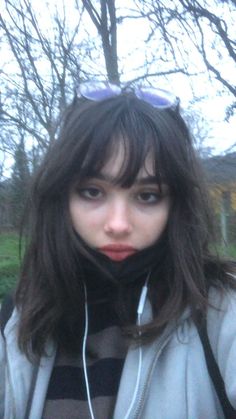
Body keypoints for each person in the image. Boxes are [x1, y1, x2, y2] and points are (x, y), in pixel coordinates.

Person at [0, 82, 236, 419]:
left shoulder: (221, 307)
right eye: (93, 192)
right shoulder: (19, 321)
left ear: (175, 204)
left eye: (147, 196)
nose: (118, 224)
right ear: (62, 196)